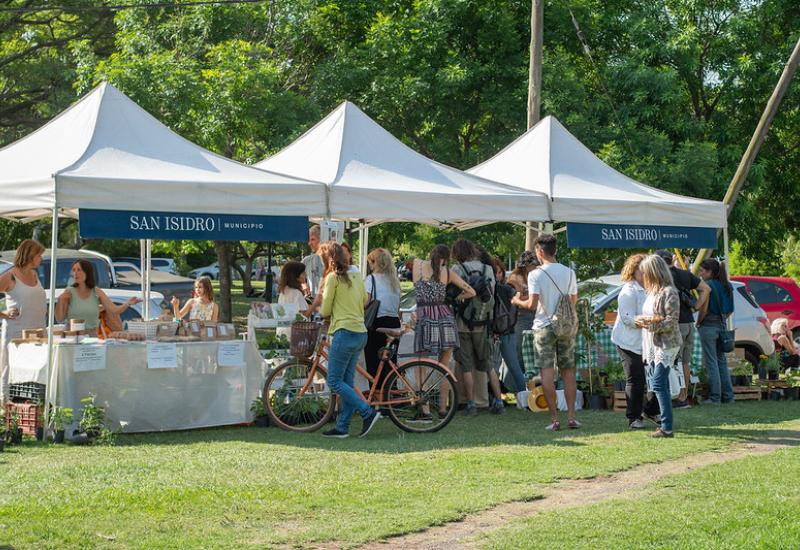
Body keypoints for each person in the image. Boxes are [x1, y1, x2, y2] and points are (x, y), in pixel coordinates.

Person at [512, 234, 579, 431]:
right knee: (568, 372)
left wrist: (517, 301)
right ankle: (572, 417)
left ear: (540, 251)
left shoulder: (536, 274)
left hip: (543, 325)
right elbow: (573, 301)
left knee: (547, 373)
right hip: (565, 326)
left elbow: (532, 305)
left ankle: (555, 419)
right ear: (555, 250)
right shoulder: (569, 272)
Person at [318, 242, 381, 438]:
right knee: (346, 381)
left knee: (334, 381)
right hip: (360, 332)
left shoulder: (332, 278)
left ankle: (367, 412)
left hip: (343, 332)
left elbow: (326, 309)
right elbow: (364, 301)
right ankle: (342, 427)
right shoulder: (356, 274)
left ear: (329, 260)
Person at [413, 244, 474, 417]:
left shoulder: (417, 265)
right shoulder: (447, 272)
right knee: (444, 367)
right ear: (446, 258)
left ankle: (424, 409)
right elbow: (471, 291)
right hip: (445, 318)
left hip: (425, 317)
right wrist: (457, 297)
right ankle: (442, 408)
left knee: (421, 365)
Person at [451, 239, 505, 416]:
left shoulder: (457, 270)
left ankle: (471, 404)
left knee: (466, 366)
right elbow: (492, 293)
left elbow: (452, 294)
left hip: (463, 323)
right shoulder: (487, 269)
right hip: (484, 322)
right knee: (488, 364)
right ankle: (498, 401)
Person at [655, 250, 710, 408]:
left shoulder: (663, 278)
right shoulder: (685, 274)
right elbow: (706, 289)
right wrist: (695, 308)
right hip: (688, 322)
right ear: (672, 260)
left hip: (674, 324)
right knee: (685, 362)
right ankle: (683, 397)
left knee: (672, 362)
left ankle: (675, 396)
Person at [611, 254, 660, 429]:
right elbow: (626, 318)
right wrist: (643, 321)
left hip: (647, 342)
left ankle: (652, 410)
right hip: (628, 342)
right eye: (643, 268)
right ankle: (634, 417)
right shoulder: (628, 290)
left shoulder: (651, 288)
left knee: (656, 377)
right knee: (636, 378)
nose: (646, 271)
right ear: (634, 270)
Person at [636, 254, 681, 437]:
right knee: (661, 384)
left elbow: (671, 321)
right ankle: (665, 424)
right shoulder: (652, 291)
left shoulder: (669, 292)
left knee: (658, 383)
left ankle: (667, 427)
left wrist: (649, 324)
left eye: (645, 272)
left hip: (667, 343)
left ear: (654, 272)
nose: (643, 275)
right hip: (654, 343)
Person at [0, 239, 47, 401]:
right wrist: (4, 313)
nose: (41, 258)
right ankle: (5, 411)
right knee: (10, 371)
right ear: (30, 255)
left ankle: (30, 412)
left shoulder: (34, 275)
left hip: (37, 334)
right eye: (39, 255)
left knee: (35, 374)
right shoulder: (10, 276)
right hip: (16, 335)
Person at [56, 259, 141, 331]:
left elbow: (114, 310)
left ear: (87, 272)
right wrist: (60, 300)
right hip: (74, 337)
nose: (75, 273)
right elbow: (59, 319)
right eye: (74, 270)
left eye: (79, 270)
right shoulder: (69, 292)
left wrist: (128, 303)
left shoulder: (96, 291)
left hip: (92, 338)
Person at [697, 258, 735, 404]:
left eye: (702, 271)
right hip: (721, 326)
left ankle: (715, 397)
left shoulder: (707, 286)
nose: (700, 274)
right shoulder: (727, 285)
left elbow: (703, 309)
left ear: (710, 272)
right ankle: (728, 396)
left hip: (708, 326)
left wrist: (698, 322)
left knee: (711, 362)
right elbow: (730, 310)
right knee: (722, 362)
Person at [363, 248, 402, 387]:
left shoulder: (370, 279)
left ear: (374, 263)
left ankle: (377, 398)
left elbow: (365, 303)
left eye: (370, 263)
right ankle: (392, 397)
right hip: (394, 322)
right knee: (391, 363)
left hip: (377, 323)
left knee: (374, 363)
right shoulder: (395, 281)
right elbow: (398, 308)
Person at [492, 257, 527, 402]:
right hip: (500, 332)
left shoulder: (507, 289)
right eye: (495, 272)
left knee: (512, 366)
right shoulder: (501, 289)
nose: (497, 275)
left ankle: (523, 397)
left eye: (499, 272)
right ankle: (497, 399)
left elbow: (516, 306)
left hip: (505, 332)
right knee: (495, 367)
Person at [508, 251, 539, 376]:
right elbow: (515, 299)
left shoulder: (533, 275)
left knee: (532, 349)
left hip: (534, 314)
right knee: (521, 349)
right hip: (521, 316)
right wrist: (533, 298)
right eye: (533, 265)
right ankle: (522, 380)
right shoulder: (516, 278)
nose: (535, 267)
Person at [276, 261, 308, 341]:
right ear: (296, 276)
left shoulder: (283, 291)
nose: (306, 275)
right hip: (294, 334)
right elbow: (303, 315)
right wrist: (316, 303)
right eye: (303, 273)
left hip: (281, 332)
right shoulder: (297, 293)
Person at [302, 225, 324, 298]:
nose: (309, 243)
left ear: (321, 239)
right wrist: (303, 284)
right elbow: (296, 275)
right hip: (312, 303)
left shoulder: (331, 260)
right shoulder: (306, 260)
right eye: (309, 240)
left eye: (312, 239)